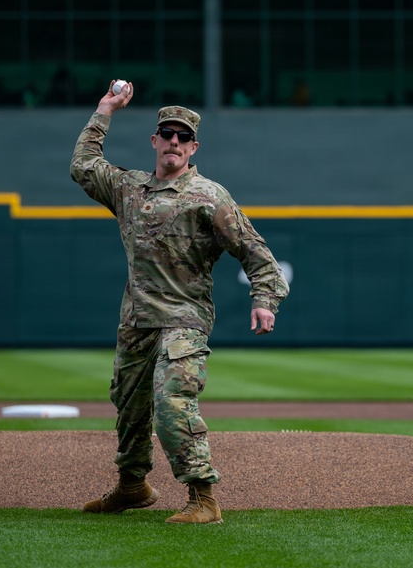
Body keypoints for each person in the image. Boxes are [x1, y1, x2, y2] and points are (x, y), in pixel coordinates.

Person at [70, 80, 290, 524]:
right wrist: (105, 109)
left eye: (183, 137)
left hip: (184, 320)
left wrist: (264, 299)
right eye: (167, 134)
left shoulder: (209, 196)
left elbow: (256, 253)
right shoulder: (129, 188)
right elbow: (83, 166)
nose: (174, 141)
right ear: (154, 141)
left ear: (193, 148)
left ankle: (203, 498)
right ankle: (132, 487)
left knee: (172, 404)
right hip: (136, 320)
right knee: (129, 410)